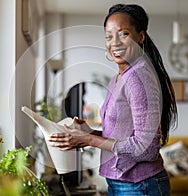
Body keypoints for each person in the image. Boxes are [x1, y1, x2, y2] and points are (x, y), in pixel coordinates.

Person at [48, 4, 177, 196]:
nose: (114, 42)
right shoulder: (120, 77)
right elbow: (124, 135)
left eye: (123, 34)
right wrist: (91, 132)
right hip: (122, 183)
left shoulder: (138, 78)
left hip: (139, 185)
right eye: (109, 36)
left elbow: (146, 148)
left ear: (140, 37)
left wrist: (89, 139)